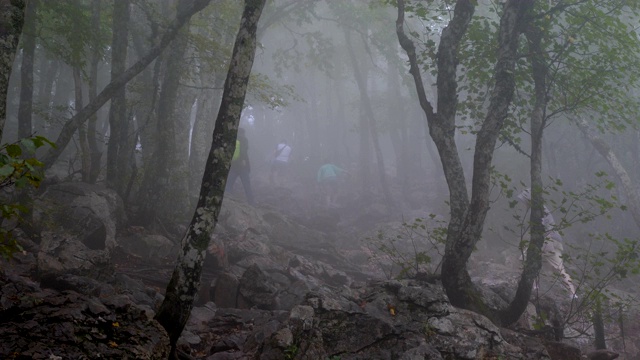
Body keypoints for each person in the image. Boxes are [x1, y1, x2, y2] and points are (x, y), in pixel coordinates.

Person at [517, 188, 577, 298]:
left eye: (524, 200)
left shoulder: (538, 211)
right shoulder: (538, 209)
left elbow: (543, 229)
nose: (523, 203)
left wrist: (544, 245)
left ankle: (572, 293)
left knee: (528, 260)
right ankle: (535, 286)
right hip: (550, 241)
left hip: (548, 241)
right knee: (557, 267)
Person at [226, 128, 255, 204]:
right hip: (243, 166)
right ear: (243, 133)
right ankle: (251, 203)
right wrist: (243, 160)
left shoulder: (232, 140)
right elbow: (243, 151)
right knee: (247, 186)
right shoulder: (244, 139)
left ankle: (228, 201)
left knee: (229, 184)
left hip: (233, 166)